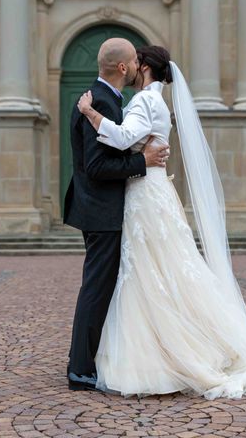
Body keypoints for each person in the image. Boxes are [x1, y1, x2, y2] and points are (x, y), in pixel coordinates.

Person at [76, 45, 246, 399]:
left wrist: (90, 112)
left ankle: (161, 352)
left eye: (139, 62)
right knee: (156, 272)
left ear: (144, 68)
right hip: (148, 190)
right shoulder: (152, 101)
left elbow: (123, 138)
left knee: (151, 272)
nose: (135, 66)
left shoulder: (145, 101)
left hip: (144, 193)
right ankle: (158, 347)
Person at [63, 38, 170, 391]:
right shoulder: (102, 101)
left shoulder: (101, 99)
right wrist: (143, 161)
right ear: (124, 68)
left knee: (104, 286)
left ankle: (91, 360)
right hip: (102, 211)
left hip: (102, 208)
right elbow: (96, 165)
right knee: (96, 288)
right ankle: (80, 368)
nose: (139, 66)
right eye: (134, 61)